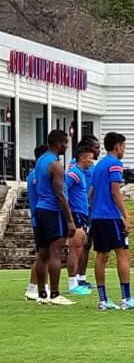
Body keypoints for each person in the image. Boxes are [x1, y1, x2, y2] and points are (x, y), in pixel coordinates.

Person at [90, 132, 134, 310]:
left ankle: (103, 299)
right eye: (124, 147)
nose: (124, 150)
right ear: (117, 147)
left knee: (101, 255)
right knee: (123, 254)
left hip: (97, 216)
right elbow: (115, 191)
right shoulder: (115, 165)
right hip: (110, 216)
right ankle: (126, 298)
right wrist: (125, 216)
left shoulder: (98, 165)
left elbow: (91, 193)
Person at [31, 129, 78, 305]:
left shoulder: (41, 161)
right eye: (65, 143)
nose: (67, 146)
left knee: (42, 253)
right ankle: (55, 294)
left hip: (40, 209)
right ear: (58, 143)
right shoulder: (55, 165)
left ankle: (42, 293)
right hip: (53, 211)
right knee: (55, 253)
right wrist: (70, 220)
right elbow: (59, 194)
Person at [65, 143, 96, 296]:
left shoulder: (81, 174)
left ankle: (76, 281)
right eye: (90, 158)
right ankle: (72, 283)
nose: (92, 161)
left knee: (80, 246)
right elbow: (63, 190)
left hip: (82, 214)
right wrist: (69, 212)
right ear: (83, 158)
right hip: (76, 213)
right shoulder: (74, 173)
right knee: (75, 248)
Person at [72, 134, 102, 291]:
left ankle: (81, 277)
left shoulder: (93, 166)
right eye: (96, 148)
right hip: (79, 209)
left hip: (90, 210)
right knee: (79, 244)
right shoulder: (75, 167)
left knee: (87, 244)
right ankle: (74, 279)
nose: (98, 151)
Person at [23, 144, 49, 301]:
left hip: (39, 217)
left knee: (43, 255)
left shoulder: (35, 175)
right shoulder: (36, 176)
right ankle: (37, 287)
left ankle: (35, 287)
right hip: (41, 218)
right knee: (43, 255)